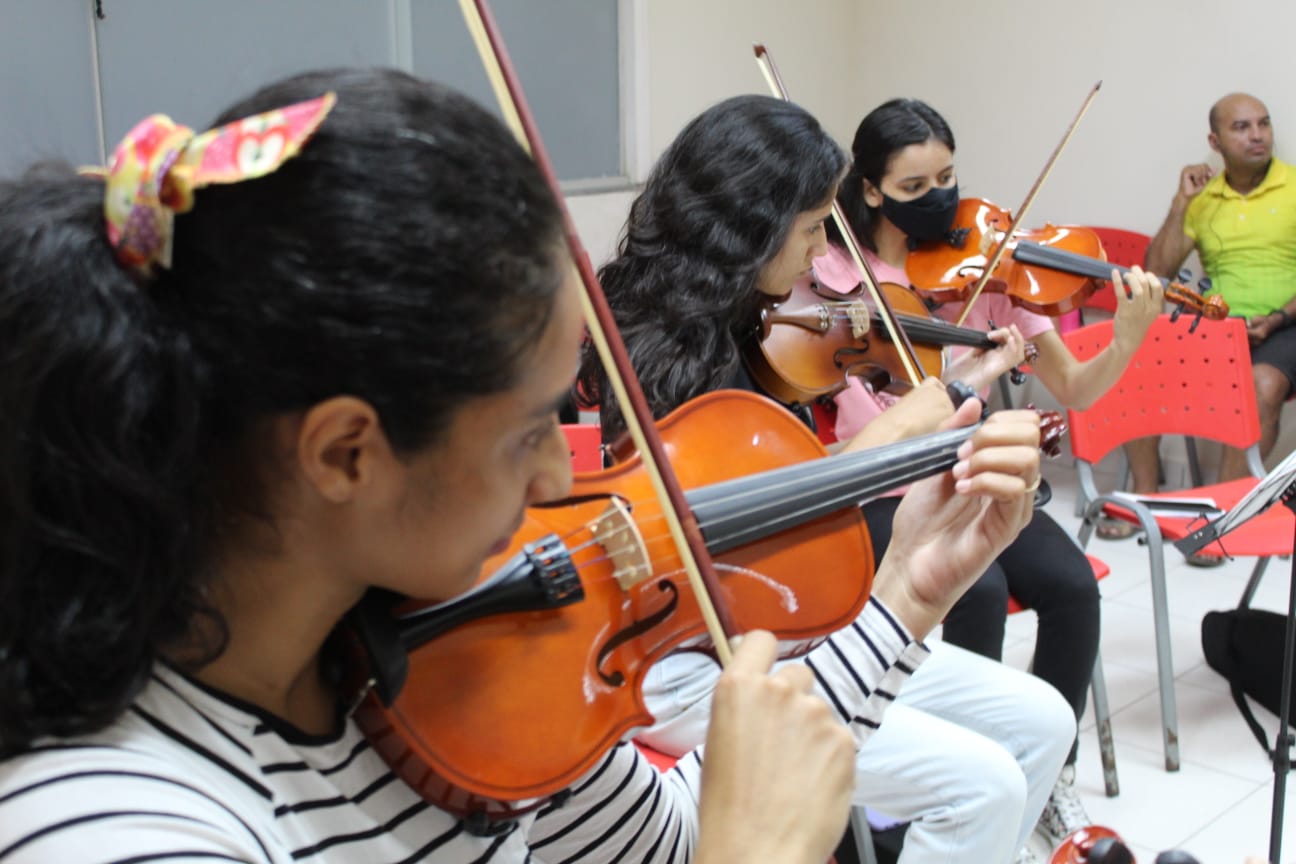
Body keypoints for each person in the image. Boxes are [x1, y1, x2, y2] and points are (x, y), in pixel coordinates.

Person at [0, 68, 1049, 862]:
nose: (562, 476)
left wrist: (907, 599)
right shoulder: (112, 826)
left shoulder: (468, 669)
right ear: (344, 454)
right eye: (529, 428)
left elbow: (676, 838)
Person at [578, 94, 1075, 864]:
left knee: (1044, 718)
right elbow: (760, 517)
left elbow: (801, 482)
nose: (819, 256)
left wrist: (948, 400)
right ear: (752, 223)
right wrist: (920, 424)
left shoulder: (748, 316)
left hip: (779, 625)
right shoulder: (648, 350)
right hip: (685, 659)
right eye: (812, 228)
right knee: (986, 785)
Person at [816, 97, 1164, 848]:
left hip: (973, 471)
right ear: (871, 191)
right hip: (881, 485)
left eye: (947, 177)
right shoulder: (838, 276)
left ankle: (1048, 780)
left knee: (1072, 589)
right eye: (914, 188)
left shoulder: (991, 265)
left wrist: (1128, 341)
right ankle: (939, 791)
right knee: (982, 590)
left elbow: (1074, 388)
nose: (939, 199)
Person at [1122, 92, 1296, 561]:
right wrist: (1182, 203)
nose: (1257, 134)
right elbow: (1156, 270)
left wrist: (1277, 318)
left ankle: (1219, 519)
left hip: (1287, 325)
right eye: (1241, 127)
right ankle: (1145, 500)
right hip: (1219, 326)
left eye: (1263, 123)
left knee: (1260, 384)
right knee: (1136, 364)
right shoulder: (1205, 197)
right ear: (1214, 141)